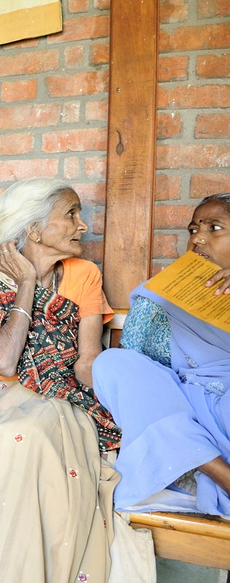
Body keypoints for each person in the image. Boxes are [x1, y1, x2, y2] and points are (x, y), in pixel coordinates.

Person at [0, 178, 120, 582]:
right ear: (34, 229)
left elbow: (86, 362)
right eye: (71, 214)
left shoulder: (84, 274)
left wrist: (120, 401)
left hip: (69, 399)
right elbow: (4, 363)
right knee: (18, 436)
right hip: (2, 400)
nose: (82, 226)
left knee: (36, 437)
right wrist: (26, 285)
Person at [93, 193, 230, 517]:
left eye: (214, 227)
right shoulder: (160, 293)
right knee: (113, 362)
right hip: (179, 407)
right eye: (193, 229)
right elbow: (137, 360)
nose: (198, 238)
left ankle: (195, 470)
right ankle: (217, 473)